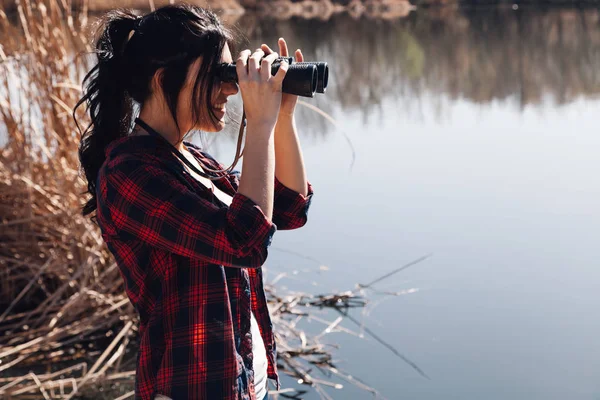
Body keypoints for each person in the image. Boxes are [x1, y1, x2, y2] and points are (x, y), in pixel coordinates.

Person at [74, 4, 313, 400]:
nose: (231, 89)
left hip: (242, 380)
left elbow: (288, 210)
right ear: (165, 79)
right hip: (191, 386)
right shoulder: (129, 174)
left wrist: (282, 117)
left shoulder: (192, 159)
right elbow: (246, 242)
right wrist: (261, 123)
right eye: (218, 76)